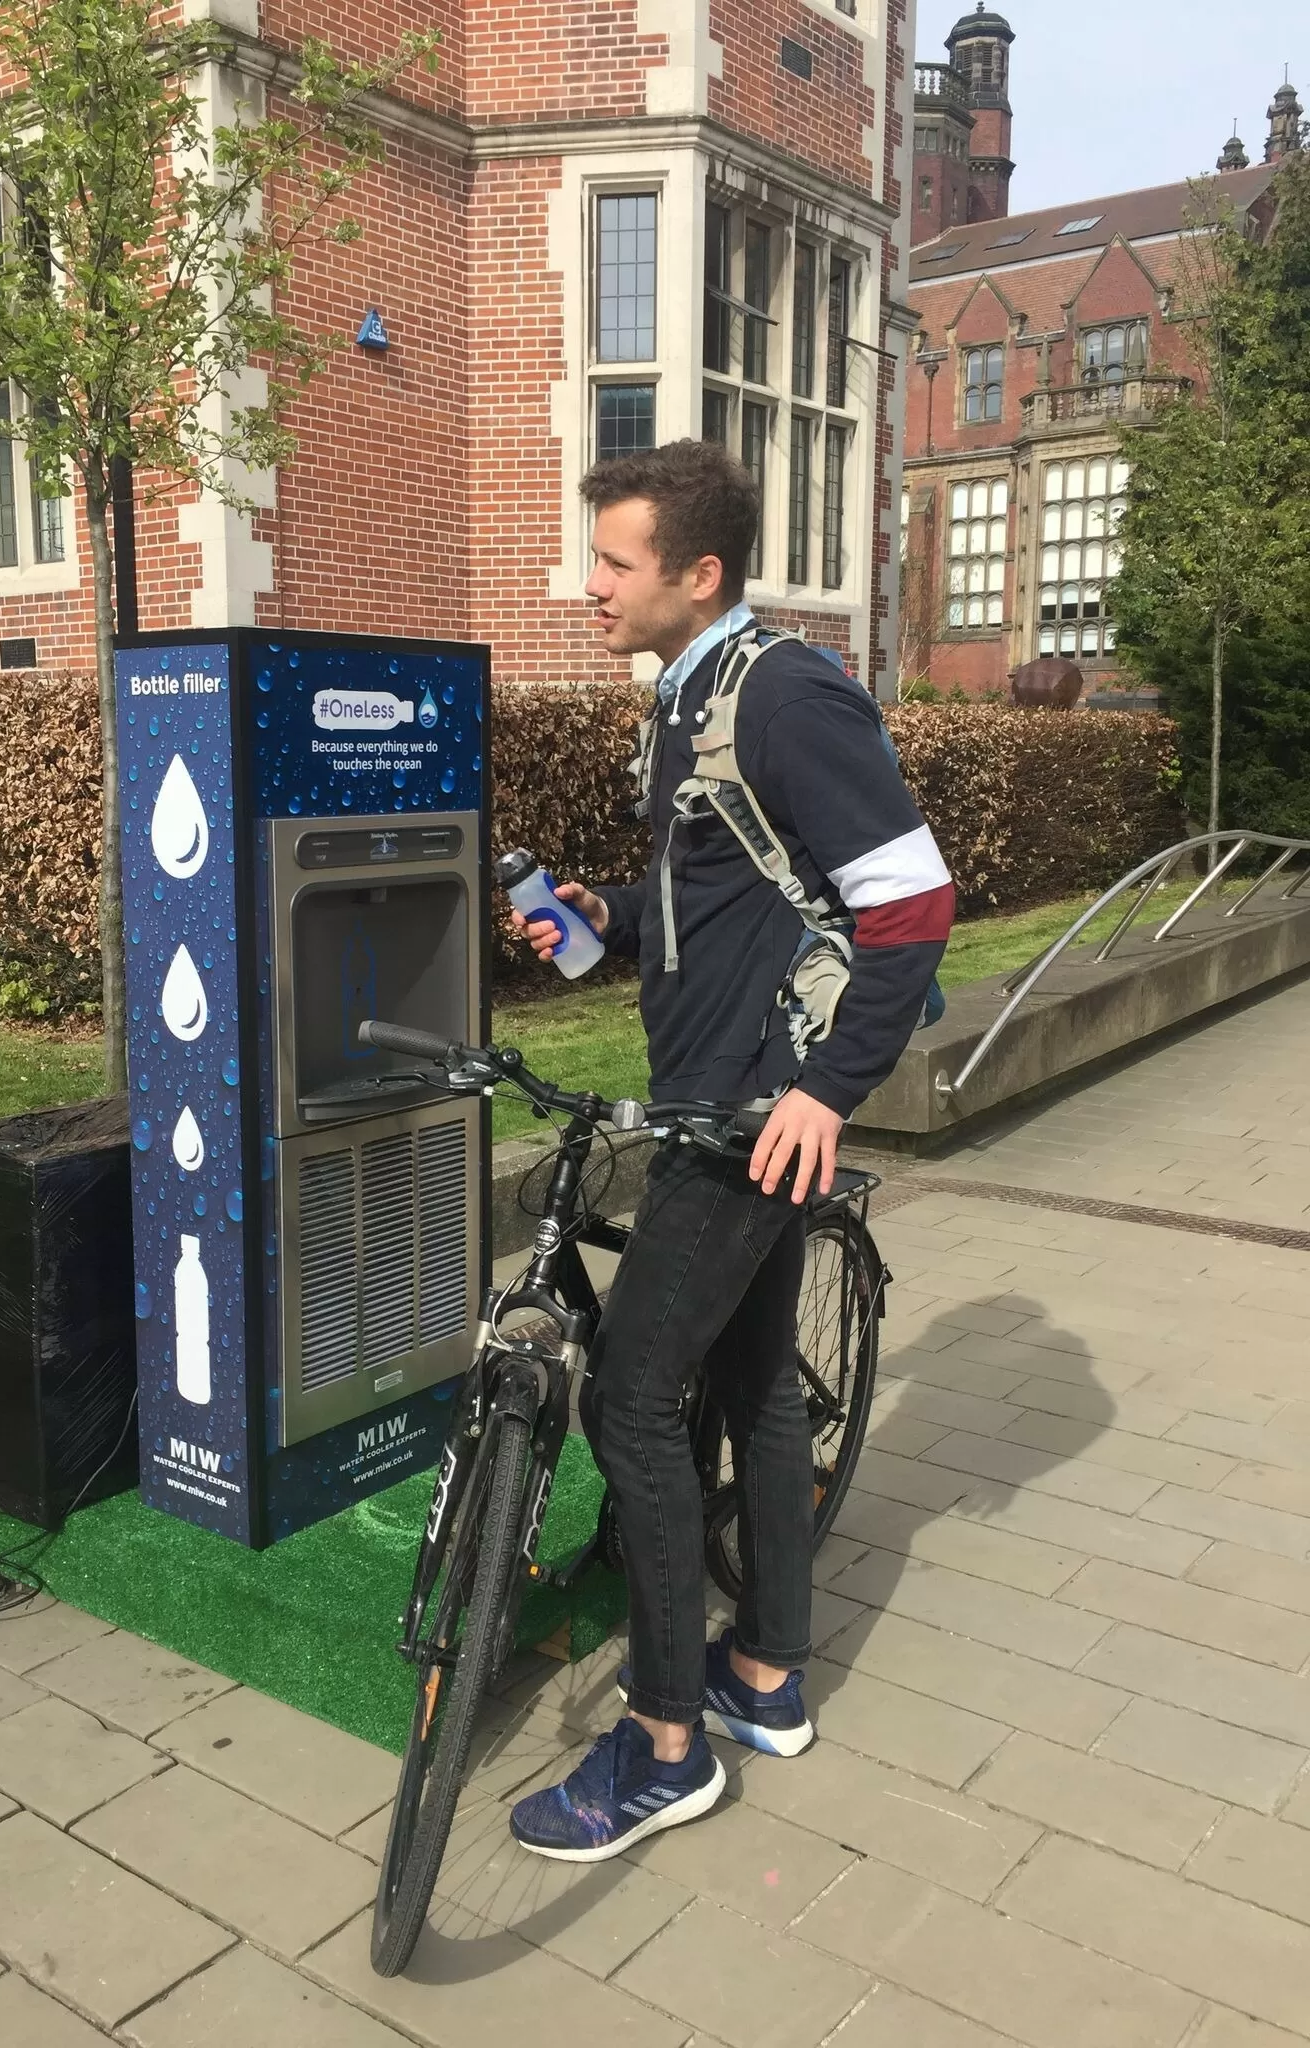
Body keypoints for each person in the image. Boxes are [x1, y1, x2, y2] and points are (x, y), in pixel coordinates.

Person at [507, 440, 954, 1863]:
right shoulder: (688, 697)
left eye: (613, 562)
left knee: (631, 1400)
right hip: (718, 1091)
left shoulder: (787, 695)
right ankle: (762, 1676)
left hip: (752, 1113)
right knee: (756, 1388)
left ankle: (661, 1747)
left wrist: (828, 1090)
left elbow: (912, 903)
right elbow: (729, 889)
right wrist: (608, 914)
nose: (588, 586)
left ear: (698, 575)